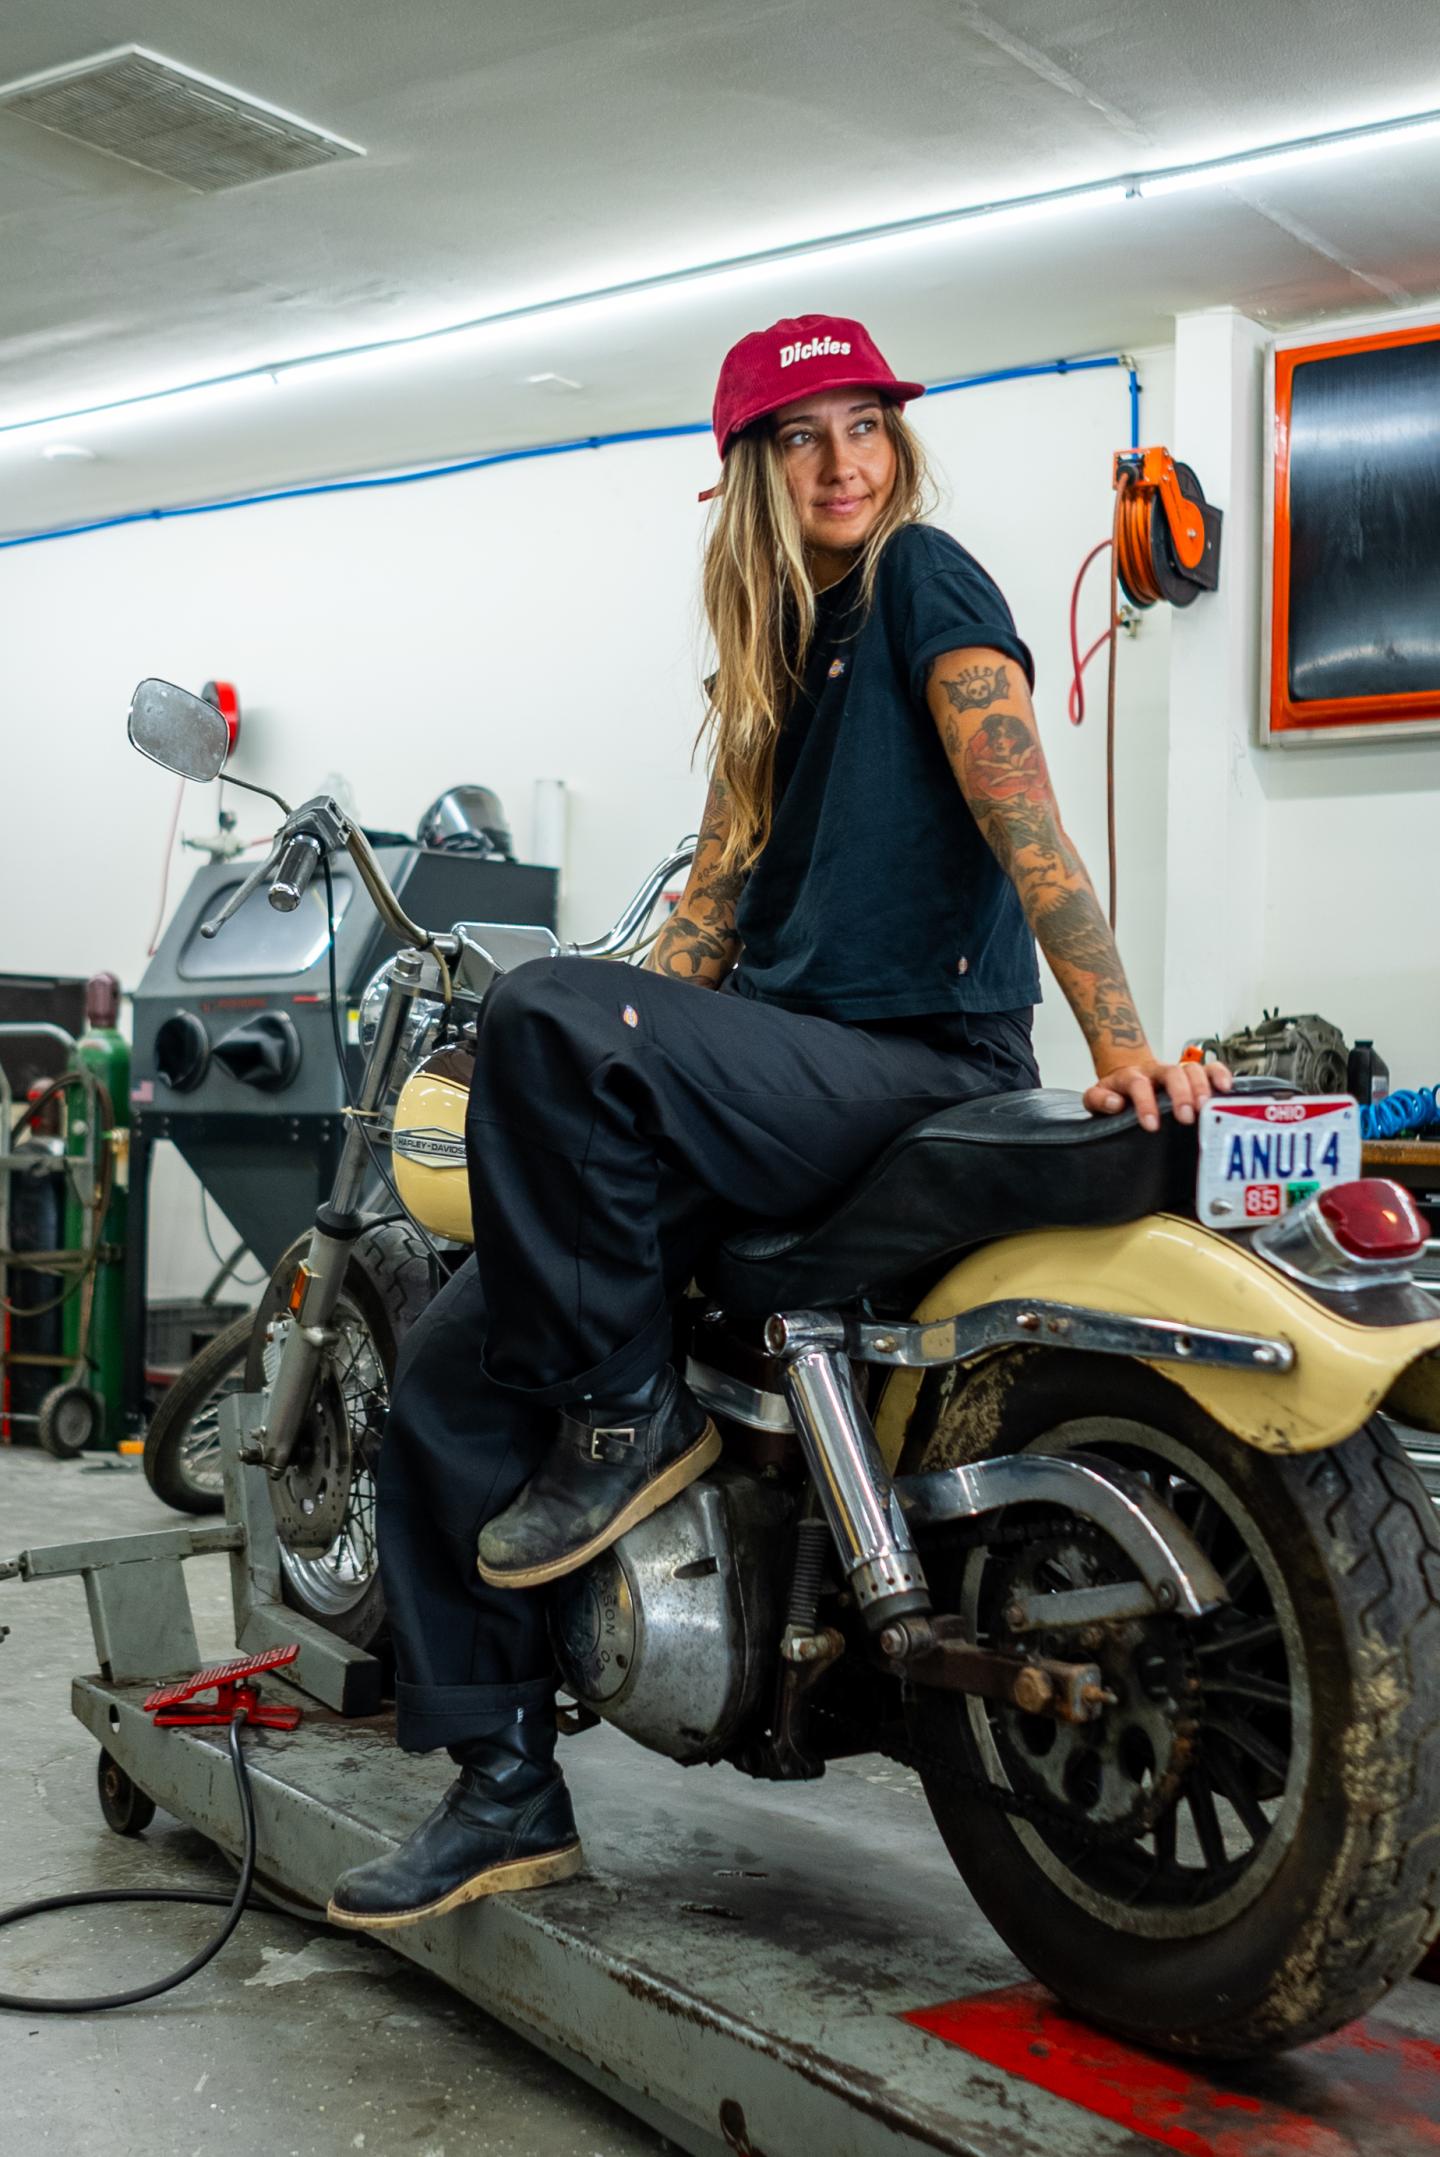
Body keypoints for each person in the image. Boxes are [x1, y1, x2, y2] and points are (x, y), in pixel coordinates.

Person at [327, 312, 1230, 1930]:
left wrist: (1125, 1040)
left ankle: (622, 1431)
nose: (845, 461)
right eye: (805, 436)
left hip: (917, 1064)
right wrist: (557, 1075)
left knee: (545, 1005)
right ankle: (505, 1787)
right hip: (775, 1083)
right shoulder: (767, 673)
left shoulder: (924, 583)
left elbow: (1023, 811)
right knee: (450, 1379)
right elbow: (695, 942)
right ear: (753, 471)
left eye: (866, 426)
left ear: (898, 447)